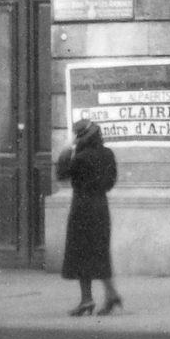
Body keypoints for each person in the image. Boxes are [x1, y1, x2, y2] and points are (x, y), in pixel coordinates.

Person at [57, 118, 121, 316]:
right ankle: (111, 294)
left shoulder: (80, 157)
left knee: (81, 253)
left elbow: (62, 175)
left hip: (82, 207)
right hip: (101, 206)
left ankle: (86, 300)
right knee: (100, 251)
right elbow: (111, 182)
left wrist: (66, 151)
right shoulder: (108, 154)